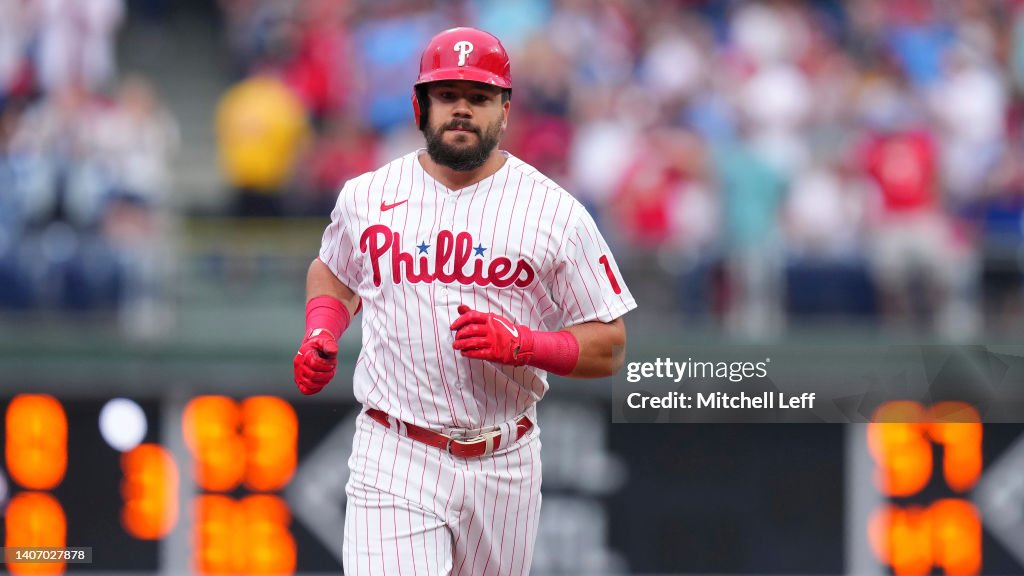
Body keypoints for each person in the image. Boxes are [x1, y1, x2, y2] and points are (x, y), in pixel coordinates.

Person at [292, 27, 636, 576]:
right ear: (419, 105)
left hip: (505, 460)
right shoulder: (367, 197)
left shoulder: (556, 212)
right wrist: (321, 331)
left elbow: (610, 345)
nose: (461, 110)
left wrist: (525, 345)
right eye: (447, 95)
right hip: (395, 449)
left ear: (504, 110)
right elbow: (334, 274)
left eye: (478, 98)